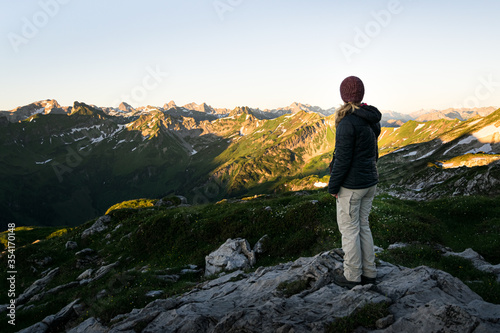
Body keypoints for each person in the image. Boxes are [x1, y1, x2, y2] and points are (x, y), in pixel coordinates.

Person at [328, 76, 382, 288]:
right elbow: (373, 152)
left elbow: (342, 160)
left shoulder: (347, 122)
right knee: (363, 227)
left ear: (344, 96)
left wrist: (333, 187)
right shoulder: (371, 118)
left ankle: (352, 277)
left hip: (352, 187)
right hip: (369, 182)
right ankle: (369, 273)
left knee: (350, 231)